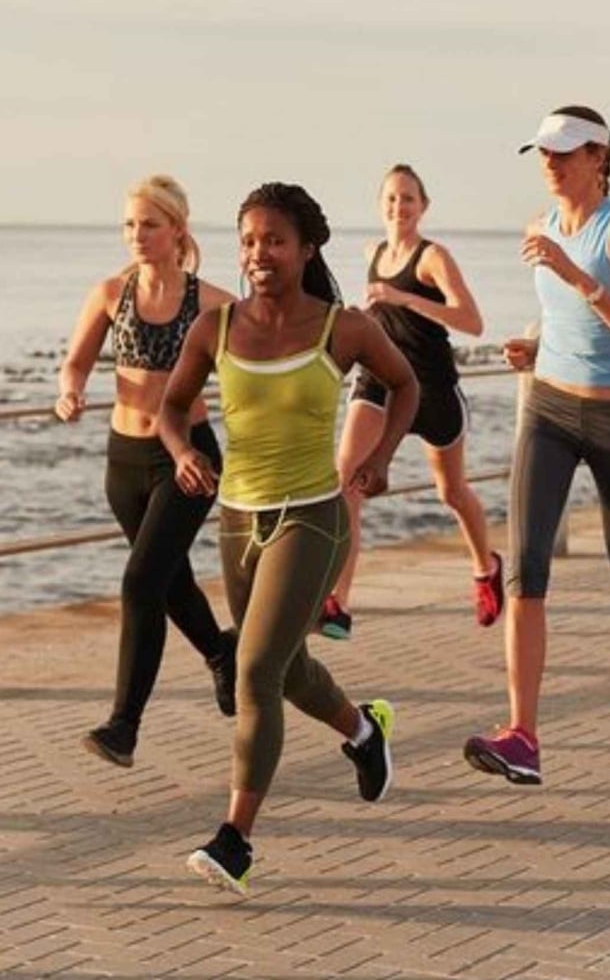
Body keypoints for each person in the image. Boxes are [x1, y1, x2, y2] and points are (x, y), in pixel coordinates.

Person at [159, 182, 416, 895]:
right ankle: (365, 732)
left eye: (274, 239)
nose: (258, 253)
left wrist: (381, 457)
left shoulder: (345, 327)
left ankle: (236, 839)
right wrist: (183, 452)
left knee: (254, 671)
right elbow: (170, 408)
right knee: (289, 668)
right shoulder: (214, 327)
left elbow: (405, 383)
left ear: (306, 248)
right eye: (247, 241)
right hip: (238, 519)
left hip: (313, 515)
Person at [464, 106, 610, 788]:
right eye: (544, 152)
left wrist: (579, 277)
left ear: (599, 156)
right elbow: (564, 318)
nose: (551, 163)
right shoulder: (539, 227)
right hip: (551, 409)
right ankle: (522, 733)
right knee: (528, 568)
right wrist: (536, 347)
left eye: (565, 151)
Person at [54, 175, 238, 767]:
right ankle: (221, 654)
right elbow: (75, 364)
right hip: (124, 460)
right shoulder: (111, 292)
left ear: (177, 231)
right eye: (130, 225)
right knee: (166, 577)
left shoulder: (212, 302)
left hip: (188, 455)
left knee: (140, 584)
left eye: (149, 225)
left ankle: (123, 726)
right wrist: (70, 393)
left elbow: (247, 378)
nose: (137, 235)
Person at [320, 164, 503, 640]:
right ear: (379, 204)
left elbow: (472, 322)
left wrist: (404, 298)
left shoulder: (432, 258)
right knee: (347, 483)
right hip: (379, 380)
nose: (398, 207)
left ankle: (485, 568)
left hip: (431, 387)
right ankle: (338, 602)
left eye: (408, 199)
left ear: (423, 206)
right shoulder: (372, 252)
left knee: (452, 493)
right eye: (391, 199)